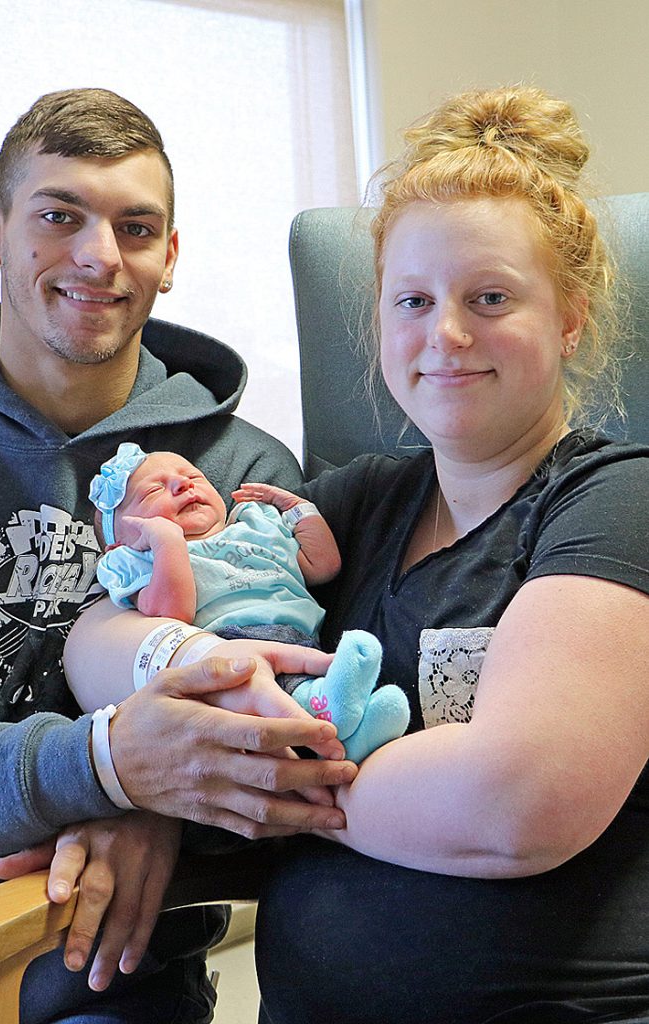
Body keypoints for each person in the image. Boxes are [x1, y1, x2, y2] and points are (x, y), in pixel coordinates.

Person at [0, 87, 360, 1024]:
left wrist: (157, 804)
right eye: (58, 216)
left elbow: (313, 739)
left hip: (126, 987)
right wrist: (112, 767)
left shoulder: (242, 479)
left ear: (169, 256)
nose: (99, 255)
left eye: (136, 225)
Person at [249, 86, 649, 1023]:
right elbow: (107, 627)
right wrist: (167, 669)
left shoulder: (616, 498)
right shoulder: (358, 500)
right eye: (414, 300)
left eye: (491, 298)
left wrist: (263, 779)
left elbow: (514, 805)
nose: (447, 334)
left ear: (569, 319)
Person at [77, 442, 410, 763]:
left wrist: (296, 509)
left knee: (304, 686)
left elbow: (323, 565)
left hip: (303, 641)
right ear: (121, 541)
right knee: (276, 694)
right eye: (153, 491)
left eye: (193, 477)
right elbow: (172, 614)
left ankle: (353, 732)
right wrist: (167, 543)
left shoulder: (255, 526)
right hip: (230, 651)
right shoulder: (143, 559)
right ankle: (324, 709)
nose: (182, 485)